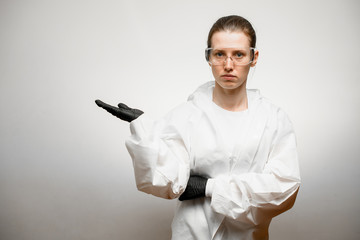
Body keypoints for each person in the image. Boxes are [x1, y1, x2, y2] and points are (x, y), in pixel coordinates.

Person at [96, 15, 300, 240]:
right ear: (208, 57)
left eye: (238, 54)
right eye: (219, 54)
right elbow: (166, 182)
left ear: (254, 57)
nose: (228, 65)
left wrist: (208, 188)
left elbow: (283, 188)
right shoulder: (186, 116)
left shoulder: (273, 119)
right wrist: (144, 130)